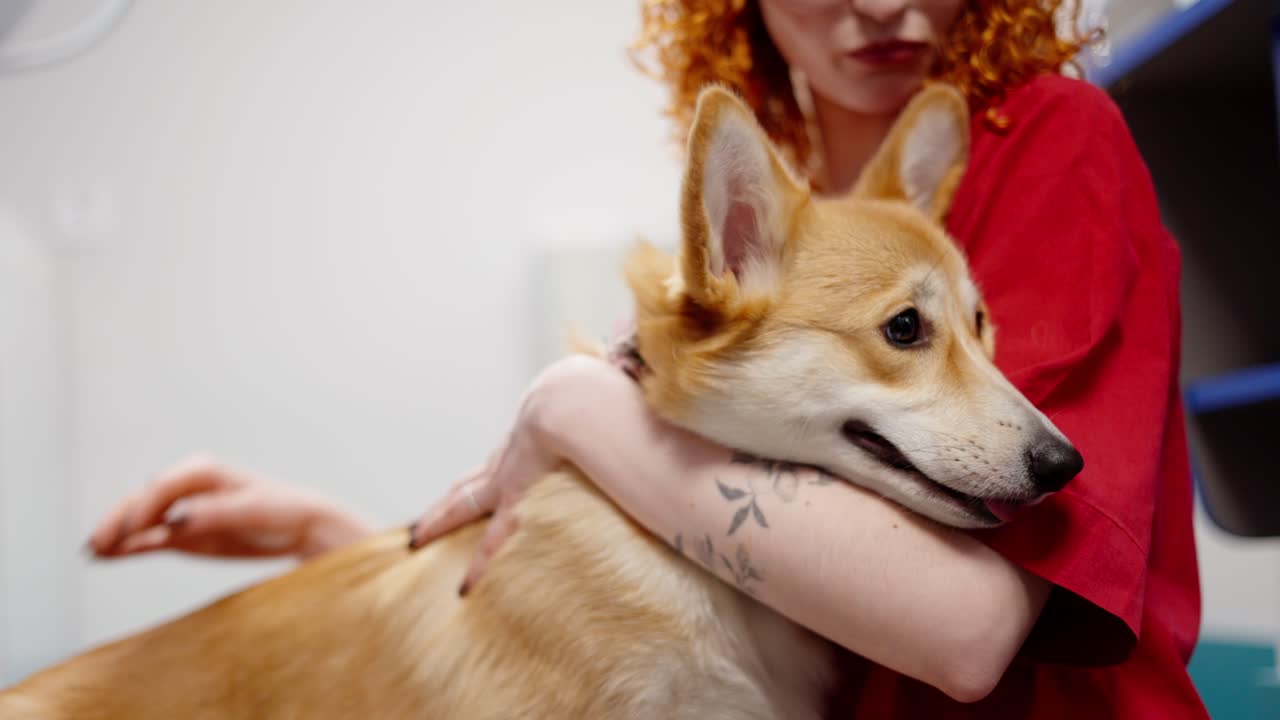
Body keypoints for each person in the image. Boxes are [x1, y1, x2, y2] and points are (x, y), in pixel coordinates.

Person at [88, 0, 1208, 716]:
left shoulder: (1051, 138)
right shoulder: (791, 206)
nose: (882, 5)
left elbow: (961, 634)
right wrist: (351, 553)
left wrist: (575, 404)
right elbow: (742, 568)